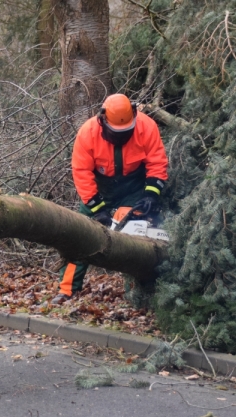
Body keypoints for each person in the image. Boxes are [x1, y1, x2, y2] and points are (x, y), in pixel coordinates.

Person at [51, 93, 168, 305]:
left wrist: (151, 194)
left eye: (126, 131)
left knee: (132, 236)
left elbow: (157, 162)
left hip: (133, 186)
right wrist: (97, 208)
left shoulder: (146, 126)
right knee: (80, 237)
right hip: (99, 188)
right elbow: (82, 173)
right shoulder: (88, 133)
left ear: (134, 116)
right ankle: (67, 290)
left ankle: (134, 293)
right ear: (103, 119)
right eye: (116, 132)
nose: (121, 136)